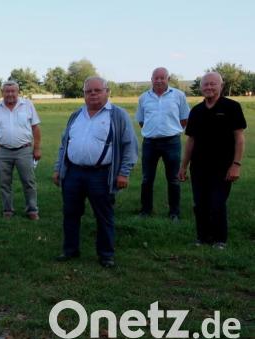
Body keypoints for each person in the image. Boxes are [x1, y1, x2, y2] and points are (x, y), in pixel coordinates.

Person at [53, 77, 138, 268]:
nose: (92, 94)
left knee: (104, 215)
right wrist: (58, 168)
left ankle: (106, 254)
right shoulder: (76, 115)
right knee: (70, 213)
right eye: (88, 91)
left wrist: (124, 173)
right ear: (83, 94)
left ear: (107, 92)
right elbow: (64, 145)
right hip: (73, 173)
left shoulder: (117, 115)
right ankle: (70, 250)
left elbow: (129, 146)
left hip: (101, 175)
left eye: (97, 90)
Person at [178, 72, 246, 250]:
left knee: (217, 203)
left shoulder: (232, 107)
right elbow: (190, 140)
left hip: (223, 167)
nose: (208, 87)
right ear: (201, 87)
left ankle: (219, 240)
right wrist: (183, 166)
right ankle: (202, 238)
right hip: (199, 167)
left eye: (212, 84)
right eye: (205, 84)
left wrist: (236, 165)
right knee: (200, 204)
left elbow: (239, 138)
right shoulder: (196, 111)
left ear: (221, 86)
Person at [135, 67, 190, 221]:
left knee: (173, 178)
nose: (159, 80)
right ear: (151, 79)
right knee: (147, 178)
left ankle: (174, 213)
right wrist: (153, 131)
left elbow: (184, 118)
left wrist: (171, 130)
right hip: (150, 143)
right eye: (155, 77)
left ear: (168, 79)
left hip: (171, 142)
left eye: (162, 77)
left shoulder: (179, 96)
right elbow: (141, 120)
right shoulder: (143, 98)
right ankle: (145, 210)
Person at [0, 81, 42, 220]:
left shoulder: (28, 105)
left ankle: (32, 210)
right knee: (4, 183)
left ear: (18, 92)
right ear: (2, 93)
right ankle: (7, 210)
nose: (10, 94)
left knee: (29, 182)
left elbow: (36, 128)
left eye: (13, 91)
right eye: (7, 91)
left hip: (24, 150)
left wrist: (36, 148)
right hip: (3, 151)